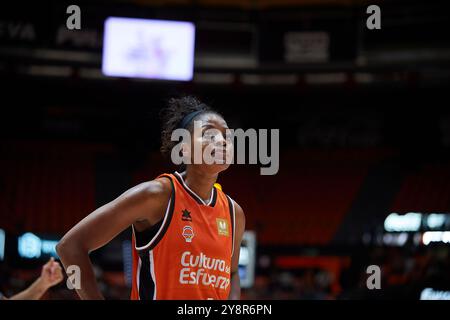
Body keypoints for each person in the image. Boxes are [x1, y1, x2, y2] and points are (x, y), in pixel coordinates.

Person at [56, 96, 246, 300]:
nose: (222, 141)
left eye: (226, 135)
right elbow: (69, 247)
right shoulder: (157, 196)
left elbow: (233, 272)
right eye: (209, 134)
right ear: (184, 148)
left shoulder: (234, 213)